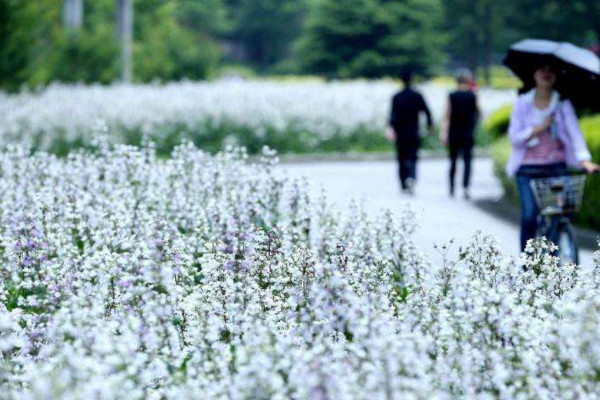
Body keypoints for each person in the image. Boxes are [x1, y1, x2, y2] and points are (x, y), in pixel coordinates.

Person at [506, 63, 599, 251]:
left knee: (566, 210)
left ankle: (553, 253)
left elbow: (575, 134)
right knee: (529, 216)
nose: (546, 74)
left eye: (551, 70)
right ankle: (528, 264)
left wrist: (584, 160)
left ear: (556, 76)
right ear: (533, 74)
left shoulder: (562, 104)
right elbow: (514, 138)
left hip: (556, 166)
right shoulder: (523, 103)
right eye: (542, 69)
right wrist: (538, 128)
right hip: (528, 169)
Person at [387, 71, 433, 194]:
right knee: (413, 157)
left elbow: (392, 115)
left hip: (400, 132)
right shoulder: (417, 95)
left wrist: (390, 128)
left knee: (401, 158)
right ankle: (411, 177)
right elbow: (427, 112)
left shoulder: (397, 96)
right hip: (414, 132)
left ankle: (403, 183)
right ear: (412, 80)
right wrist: (429, 126)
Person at [440, 69, 479, 199]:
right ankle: (466, 187)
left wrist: (443, 132)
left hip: (454, 133)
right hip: (468, 133)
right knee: (467, 161)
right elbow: (478, 113)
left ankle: (451, 188)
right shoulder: (472, 96)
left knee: (453, 161)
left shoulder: (451, 95)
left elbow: (447, 115)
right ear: (468, 81)